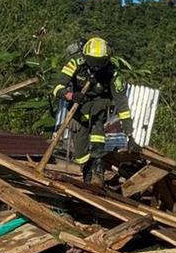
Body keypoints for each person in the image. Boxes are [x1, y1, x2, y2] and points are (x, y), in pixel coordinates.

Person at [52, 37, 136, 186]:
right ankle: (87, 170)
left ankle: (98, 163)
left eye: (100, 62)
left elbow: (122, 104)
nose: (96, 66)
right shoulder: (75, 64)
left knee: (98, 118)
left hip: (99, 104)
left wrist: (130, 134)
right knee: (80, 149)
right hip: (78, 105)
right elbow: (57, 88)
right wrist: (71, 95)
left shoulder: (113, 73)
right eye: (93, 61)